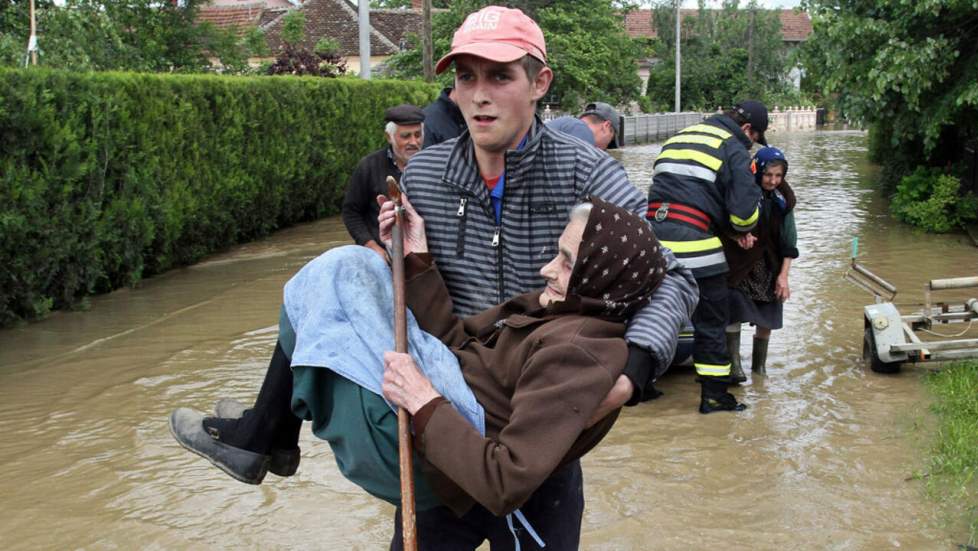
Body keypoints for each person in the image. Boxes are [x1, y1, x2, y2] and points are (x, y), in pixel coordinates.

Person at [170, 5, 697, 549]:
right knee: (340, 273)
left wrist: (630, 373)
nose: (479, 94)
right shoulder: (425, 172)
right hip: (440, 418)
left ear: (540, 82)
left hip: (537, 436)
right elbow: (426, 314)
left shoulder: (586, 172)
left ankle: (263, 434)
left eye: (499, 76)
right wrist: (399, 250)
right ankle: (272, 428)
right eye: (466, 77)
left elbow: (674, 276)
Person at [646, 99, 768, 414]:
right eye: (754, 138)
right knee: (712, 320)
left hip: (652, 246)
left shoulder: (678, 137)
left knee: (650, 313)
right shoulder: (733, 147)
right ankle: (714, 397)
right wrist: (743, 226)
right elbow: (743, 216)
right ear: (746, 129)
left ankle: (642, 385)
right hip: (695, 246)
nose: (752, 145)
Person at [722, 146, 798, 377]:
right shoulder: (741, 193)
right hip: (739, 265)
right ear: (757, 171)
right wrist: (737, 236)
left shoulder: (783, 201)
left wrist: (783, 276)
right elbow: (721, 225)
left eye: (778, 176)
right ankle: (734, 367)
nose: (773, 181)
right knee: (733, 311)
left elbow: (789, 243)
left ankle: (759, 370)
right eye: (768, 175)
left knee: (768, 318)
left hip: (770, 266)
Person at [341, 104, 425, 257]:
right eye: (406, 136)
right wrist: (371, 246)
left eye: (418, 135)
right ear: (389, 137)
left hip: (422, 256)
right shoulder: (369, 166)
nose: (413, 142)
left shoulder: (433, 165)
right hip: (382, 256)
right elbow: (351, 212)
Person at [546, 101, 620, 150]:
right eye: (610, 141)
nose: (605, 149)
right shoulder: (582, 132)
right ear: (606, 126)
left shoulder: (565, 123)